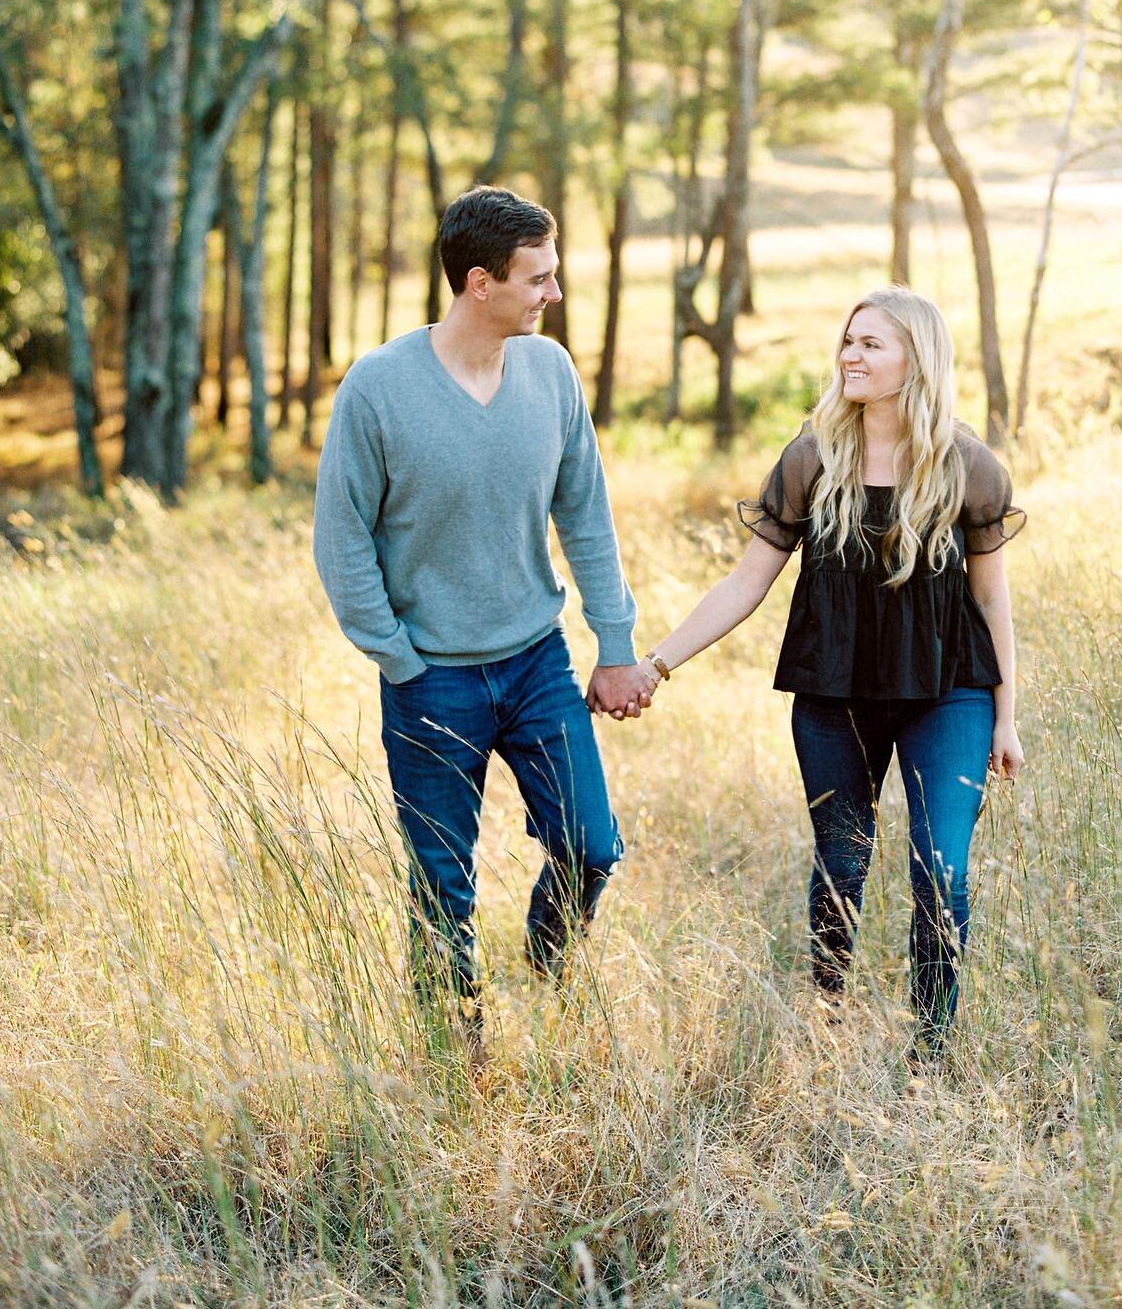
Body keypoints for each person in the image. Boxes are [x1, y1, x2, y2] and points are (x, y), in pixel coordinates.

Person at [633, 286, 1025, 1060]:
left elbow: (991, 594)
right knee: (842, 862)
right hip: (833, 696)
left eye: (872, 344)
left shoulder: (969, 467)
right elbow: (746, 583)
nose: (851, 354)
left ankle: (931, 1048)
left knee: (939, 864)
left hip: (948, 695)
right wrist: (656, 663)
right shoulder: (813, 458)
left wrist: (1006, 716)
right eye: (848, 341)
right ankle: (829, 1019)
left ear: (918, 357)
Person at [313, 186, 651, 1052]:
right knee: (441, 885)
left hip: (537, 660)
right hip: (432, 680)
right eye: (537, 278)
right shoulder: (379, 389)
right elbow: (342, 538)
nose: (554, 293)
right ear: (478, 283)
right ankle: (454, 1059)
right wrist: (396, 657)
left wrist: (614, 646)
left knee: (591, 847)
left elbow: (587, 515)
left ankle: (546, 971)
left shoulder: (551, 373)